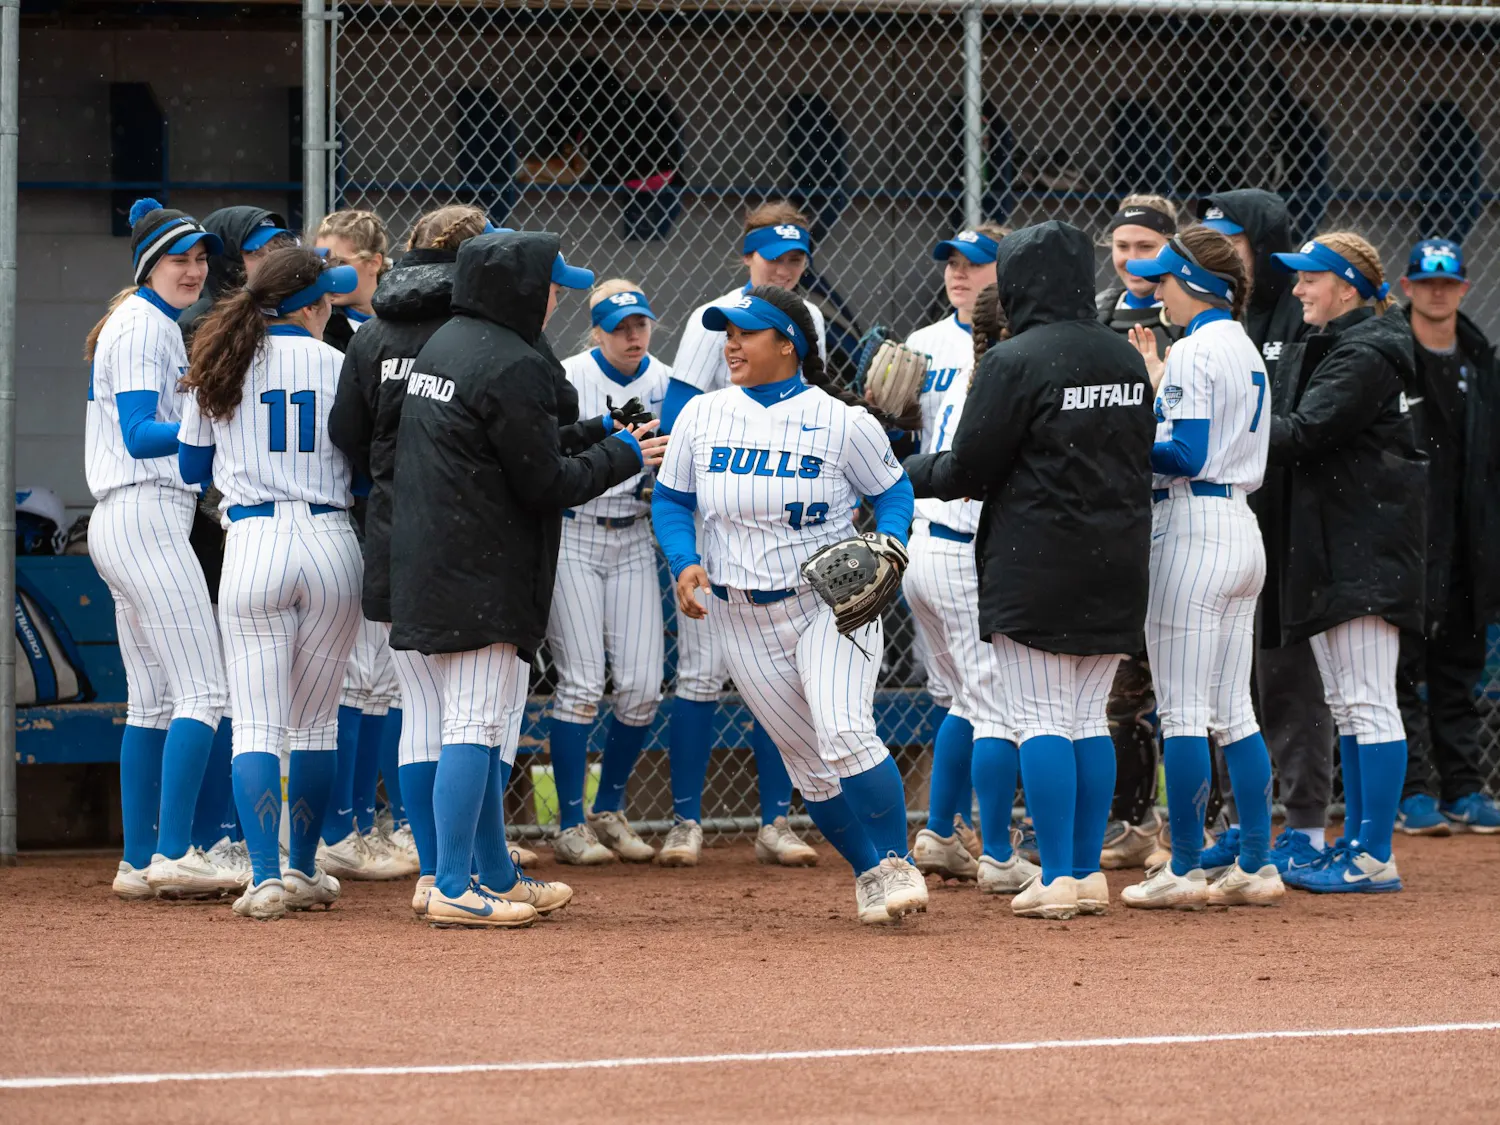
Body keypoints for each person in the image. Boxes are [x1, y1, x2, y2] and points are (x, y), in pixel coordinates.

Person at [388, 230, 662, 928]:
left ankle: (496, 873)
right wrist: (624, 455)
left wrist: (602, 431)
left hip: (434, 559)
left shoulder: (449, 341)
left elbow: (512, 443)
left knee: (471, 725)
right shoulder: (514, 361)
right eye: (548, 284)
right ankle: (453, 882)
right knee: (475, 726)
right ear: (514, 289)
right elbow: (544, 481)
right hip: (483, 572)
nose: (554, 298)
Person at [652, 285, 926, 925]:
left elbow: (893, 492)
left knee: (845, 731)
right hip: (738, 612)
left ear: (788, 344)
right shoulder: (703, 414)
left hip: (829, 601)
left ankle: (897, 861)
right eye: (726, 333)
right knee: (808, 763)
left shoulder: (842, 421)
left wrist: (889, 542)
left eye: (745, 333)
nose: (731, 344)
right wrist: (684, 561)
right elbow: (671, 501)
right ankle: (868, 873)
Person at [905, 220, 1155, 921]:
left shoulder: (1016, 358)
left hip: (1037, 556)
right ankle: (1084, 873)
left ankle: (1061, 875)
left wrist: (898, 474)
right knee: (1085, 719)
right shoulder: (1125, 358)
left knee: (1041, 716)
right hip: (1118, 555)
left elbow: (968, 468)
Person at [329, 203, 540, 906]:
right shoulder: (477, 334)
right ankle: (467, 871)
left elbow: (347, 435)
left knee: (418, 708)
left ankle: (434, 872)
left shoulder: (374, 329)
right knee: (479, 714)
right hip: (470, 539)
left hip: (390, 529)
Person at [177, 247, 365, 920]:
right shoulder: (341, 363)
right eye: (326, 299)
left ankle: (264, 877)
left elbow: (192, 466)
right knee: (315, 724)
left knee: (256, 721)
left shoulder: (222, 358)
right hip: (330, 539)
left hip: (253, 540)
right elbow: (366, 466)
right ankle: (305, 865)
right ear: (310, 305)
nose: (330, 307)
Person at [653, 202, 826, 868]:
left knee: (779, 678)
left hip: (785, 523)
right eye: (772, 256)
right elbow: (677, 416)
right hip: (715, 512)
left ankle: (776, 820)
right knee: (700, 674)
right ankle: (686, 820)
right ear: (747, 256)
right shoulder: (712, 318)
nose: (783, 268)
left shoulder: (804, 321)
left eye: (795, 259)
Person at [1116, 226, 1282, 909]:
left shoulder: (1191, 350)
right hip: (1241, 524)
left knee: (1184, 711)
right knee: (1233, 711)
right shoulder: (1242, 345)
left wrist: (1123, 435)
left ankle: (1183, 867)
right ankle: (1256, 862)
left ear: (1198, 286)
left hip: (1193, 526)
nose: (1160, 289)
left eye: (1168, 279)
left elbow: (1182, 454)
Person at [83, 198, 239, 902]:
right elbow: (143, 432)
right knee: (204, 689)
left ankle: (140, 858)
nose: (194, 269)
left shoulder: (147, 322)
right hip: (144, 512)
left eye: (201, 258)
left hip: (130, 518)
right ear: (151, 266)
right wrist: (209, 423)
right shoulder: (145, 323)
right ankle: (177, 850)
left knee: (152, 700)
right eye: (180, 258)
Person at [1263, 232, 1426, 893]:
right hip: (1343, 547)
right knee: (1348, 702)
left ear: (1348, 287)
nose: (1299, 289)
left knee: (1367, 701)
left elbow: (1302, 433)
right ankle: (1356, 841)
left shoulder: (1365, 351)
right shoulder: (1346, 344)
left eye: (1312, 278)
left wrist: (1221, 426)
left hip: (1366, 551)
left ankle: (1373, 854)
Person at [1197, 190, 1330, 877]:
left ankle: (1305, 822)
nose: (1224, 255)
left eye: (1236, 242)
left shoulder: (1295, 316)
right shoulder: (1219, 320)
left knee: (1288, 674)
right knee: (1226, 679)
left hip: (1287, 522)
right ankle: (1237, 821)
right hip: (1228, 520)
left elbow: (1305, 428)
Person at [902, 229, 1039, 895]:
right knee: (992, 703)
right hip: (954, 538)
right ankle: (998, 852)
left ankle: (939, 829)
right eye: (952, 264)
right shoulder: (923, 345)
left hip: (946, 541)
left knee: (965, 697)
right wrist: (888, 416)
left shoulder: (1012, 349)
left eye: (974, 265)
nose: (958, 274)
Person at [544, 280, 672, 865]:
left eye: (639, 324)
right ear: (595, 329)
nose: (632, 335)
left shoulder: (665, 380)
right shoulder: (567, 374)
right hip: (573, 530)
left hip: (633, 533)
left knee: (644, 685)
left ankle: (609, 806)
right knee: (581, 684)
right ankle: (570, 822)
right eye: (619, 326)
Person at [313, 208, 410, 879]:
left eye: (336, 256)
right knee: (354, 673)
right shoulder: (333, 328)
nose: (326, 268)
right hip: (344, 509)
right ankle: (340, 824)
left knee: (380, 677)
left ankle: (370, 821)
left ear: (373, 261)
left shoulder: (390, 325)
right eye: (317, 255)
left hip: (384, 508)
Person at [1393, 239, 1500, 834]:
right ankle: (1411, 793)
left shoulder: (1481, 362)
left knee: (1459, 671)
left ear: (1462, 288)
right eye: (1426, 282)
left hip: (1466, 541)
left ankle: (1464, 788)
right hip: (1406, 540)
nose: (1438, 291)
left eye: (1449, 283)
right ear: (1407, 287)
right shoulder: (1389, 355)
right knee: (1401, 670)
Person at [1092, 194, 1181, 870]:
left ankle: (1192, 823)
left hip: (1176, 508)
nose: (1130, 260)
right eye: (1121, 247)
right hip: (1116, 514)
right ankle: (1130, 821)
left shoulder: (1188, 317)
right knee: (1121, 681)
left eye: (1144, 247)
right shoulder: (1098, 311)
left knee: (1179, 683)